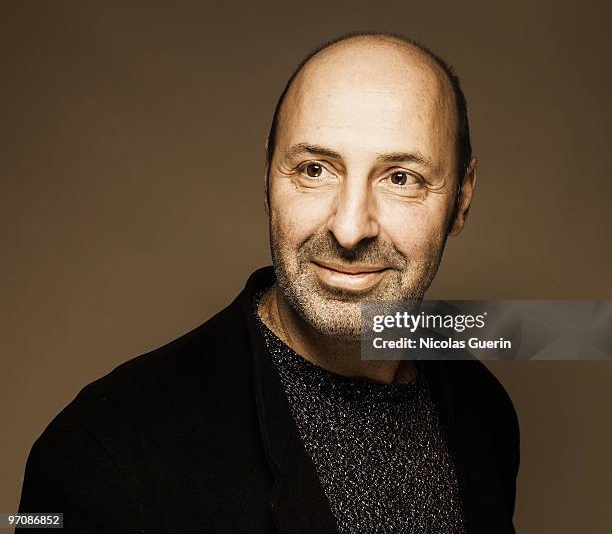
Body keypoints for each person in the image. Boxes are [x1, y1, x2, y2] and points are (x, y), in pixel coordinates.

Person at [18, 32, 519, 533]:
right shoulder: (102, 453)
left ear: (463, 196)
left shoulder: (482, 409)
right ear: (267, 176)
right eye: (315, 169)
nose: (349, 229)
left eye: (401, 178)